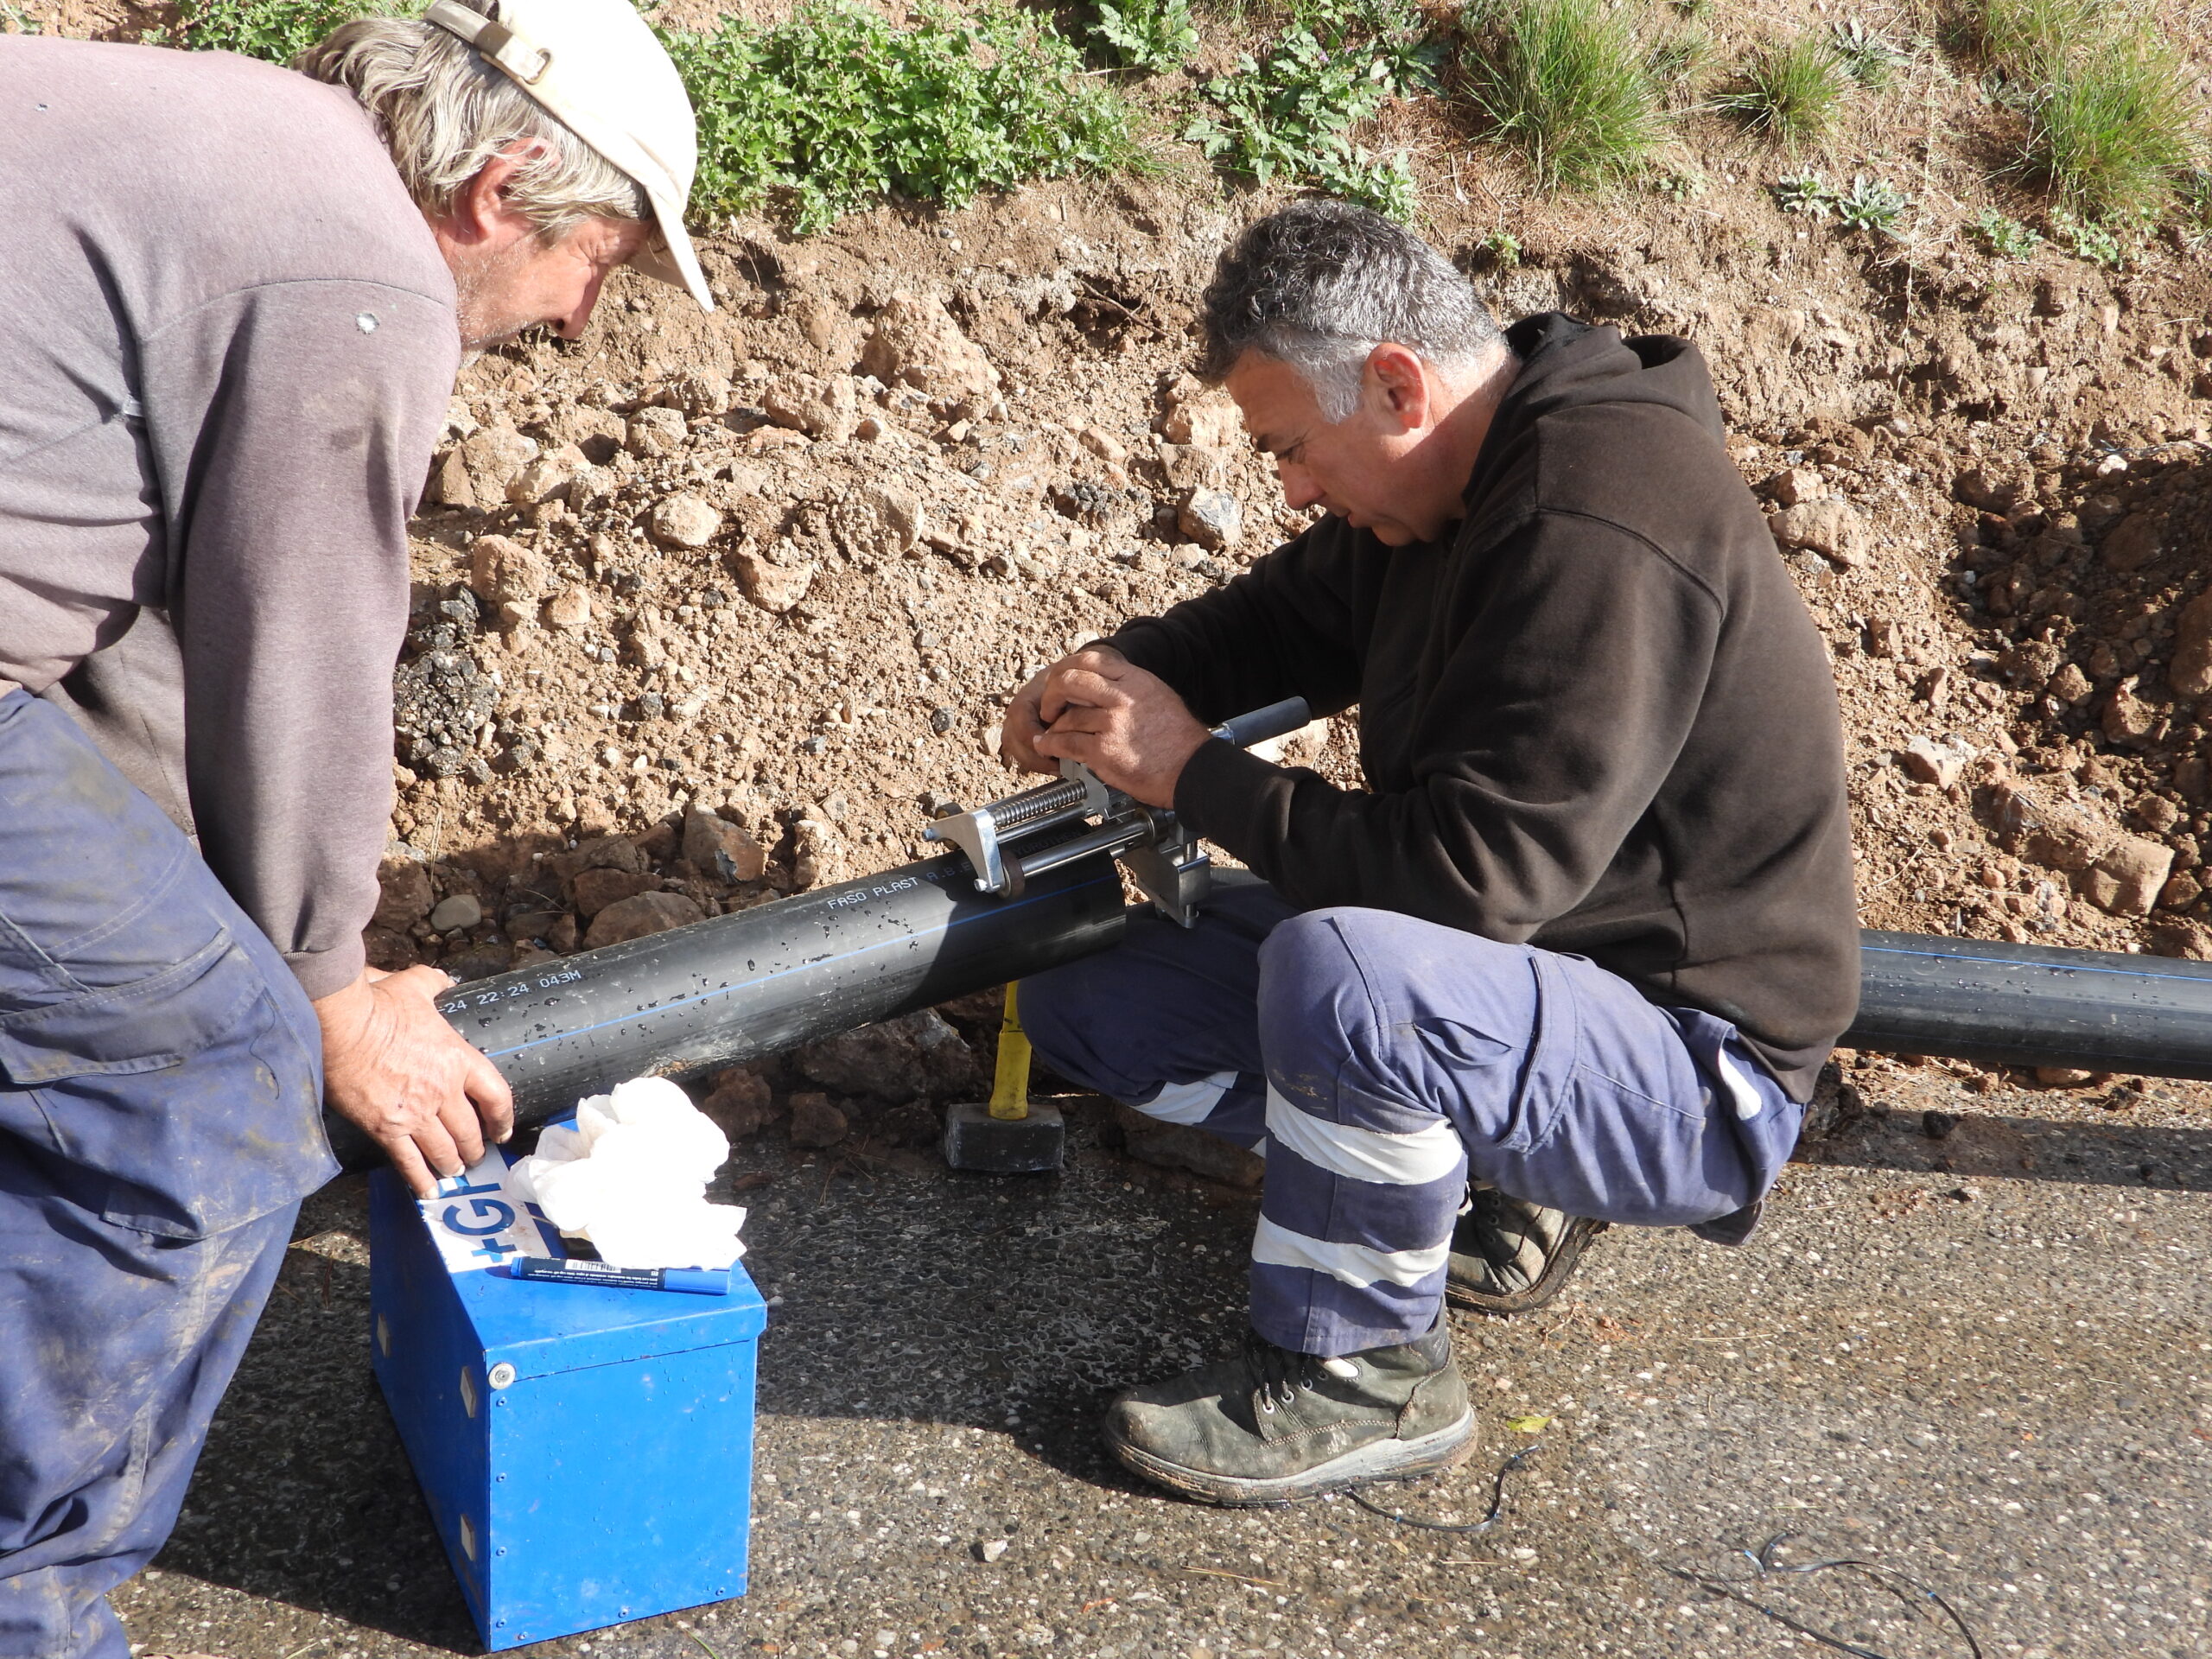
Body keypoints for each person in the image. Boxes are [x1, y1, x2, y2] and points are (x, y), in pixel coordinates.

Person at [0, 2, 713, 1649]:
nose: (585, 316)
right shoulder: (357, 274)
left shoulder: (224, 142)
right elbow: (301, 644)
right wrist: (321, 981)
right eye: (598, 257)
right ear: (505, 182)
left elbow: (142, 641)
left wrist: (223, 914)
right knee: (208, 1075)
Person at [1002, 200, 1859, 1506]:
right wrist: (1115, 678)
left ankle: (1365, 1375)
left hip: (1688, 1066)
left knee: (1349, 976)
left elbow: (1466, 884)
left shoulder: (1600, 514)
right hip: (1519, 995)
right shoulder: (1450, 487)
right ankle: (1448, 1200)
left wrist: (1186, 768)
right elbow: (1272, 626)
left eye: (1292, 446)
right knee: (1088, 986)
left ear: (1397, 384)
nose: (1288, 486)